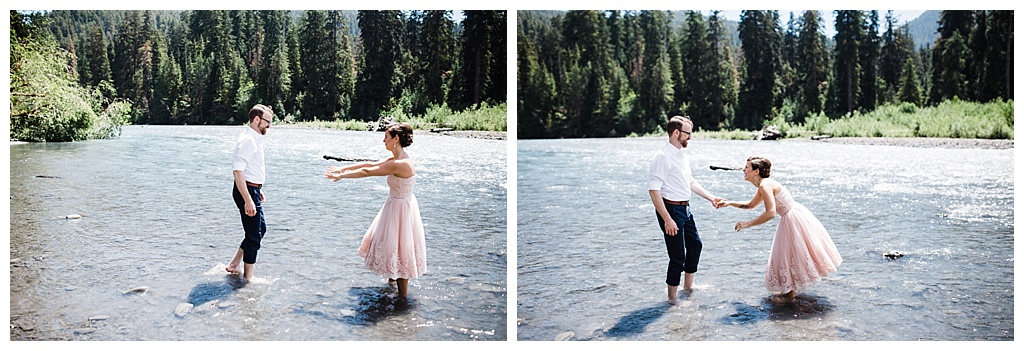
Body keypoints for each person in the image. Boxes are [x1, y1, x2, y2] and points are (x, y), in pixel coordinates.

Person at [324, 123, 426, 297]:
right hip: (396, 205)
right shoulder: (395, 159)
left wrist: (342, 176)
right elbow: (369, 164)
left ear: (396, 139)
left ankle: (402, 300)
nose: (383, 140)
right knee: (393, 246)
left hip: (401, 209)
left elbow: (366, 172)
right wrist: (342, 168)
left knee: (400, 249)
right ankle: (391, 286)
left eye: (386, 136)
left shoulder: (400, 164)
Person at [722, 157, 842, 302]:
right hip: (793, 216)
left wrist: (748, 224)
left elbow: (770, 213)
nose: (743, 169)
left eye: (746, 167)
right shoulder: (763, 185)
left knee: (789, 255)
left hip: (792, 219)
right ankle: (789, 293)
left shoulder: (765, 185)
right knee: (789, 255)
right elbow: (750, 205)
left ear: (756, 171)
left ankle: (789, 295)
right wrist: (729, 203)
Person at [648, 116, 725, 304]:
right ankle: (672, 300)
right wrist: (667, 219)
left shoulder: (681, 154)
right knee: (677, 257)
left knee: (696, 245)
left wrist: (710, 197)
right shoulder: (663, 157)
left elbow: (690, 182)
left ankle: (688, 288)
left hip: (685, 209)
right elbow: (653, 190)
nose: (690, 137)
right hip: (671, 211)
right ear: (676, 133)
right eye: (688, 133)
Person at [225, 104, 273, 282]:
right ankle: (248, 279)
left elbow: (250, 169)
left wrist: (257, 189)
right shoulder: (248, 140)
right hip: (246, 190)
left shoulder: (254, 138)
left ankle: (234, 264)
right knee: (254, 235)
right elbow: (238, 171)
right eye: (268, 122)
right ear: (257, 119)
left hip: (252, 189)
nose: (269, 126)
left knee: (260, 229)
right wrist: (248, 199)